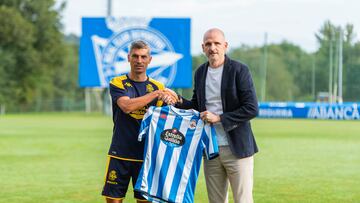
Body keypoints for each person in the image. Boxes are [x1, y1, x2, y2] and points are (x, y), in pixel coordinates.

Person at [176, 28, 259, 203]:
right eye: (208, 44)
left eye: (216, 43)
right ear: (203, 48)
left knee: (243, 200)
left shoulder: (239, 70)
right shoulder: (200, 72)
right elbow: (197, 106)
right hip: (210, 149)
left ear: (225, 46)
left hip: (238, 148)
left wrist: (219, 118)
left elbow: (252, 108)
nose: (212, 47)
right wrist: (176, 100)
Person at [101, 40, 178, 203]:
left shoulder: (157, 86)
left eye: (143, 57)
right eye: (135, 56)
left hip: (146, 156)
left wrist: (172, 100)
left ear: (150, 60)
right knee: (113, 201)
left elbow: (167, 118)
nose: (139, 60)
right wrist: (156, 95)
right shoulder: (118, 82)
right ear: (128, 58)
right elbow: (126, 106)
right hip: (120, 153)